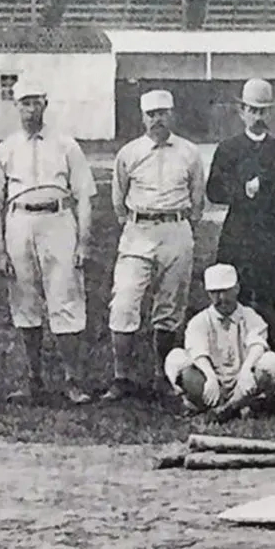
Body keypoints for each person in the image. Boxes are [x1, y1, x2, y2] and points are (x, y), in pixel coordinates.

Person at [0, 78, 95, 406]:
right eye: (24, 103)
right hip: (19, 222)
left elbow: (85, 196)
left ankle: (73, 380)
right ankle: (33, 379)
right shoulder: (4, 150)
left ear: (45, 104)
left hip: (58, 221)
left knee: (66, 299)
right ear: (15, 106)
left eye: (35, 102)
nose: (30, 110)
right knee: (24, 302)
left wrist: (84, 242)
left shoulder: (66, 145)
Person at [105, 89, 207, 401]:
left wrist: (179, 223)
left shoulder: (189, 153)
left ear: (172, 115)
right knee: (124, 302)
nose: (157, 120)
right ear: (142, 117)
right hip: (138, 231)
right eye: (151, 114)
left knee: (170, 306)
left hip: (175, 229)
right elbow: (118, 200)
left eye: (163, 113)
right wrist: (135, 221)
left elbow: (198, 200)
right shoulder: (129, 153)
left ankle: (162, 375)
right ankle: (122, 377)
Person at [206, 79, 275, 355]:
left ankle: (271, 354)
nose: (258, 116)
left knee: (268, 299)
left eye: (263, 111)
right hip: (239, 236)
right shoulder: (229, 148)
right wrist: (241, 190)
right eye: (252, 110)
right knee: (237, 296)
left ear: (270, 113)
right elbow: (213, 190)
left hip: (269, 238)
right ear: (241, 110)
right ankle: (233, 352)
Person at [163, 264, 275, 423]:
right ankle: (216, 406)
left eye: (226, 291)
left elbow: (257, 344)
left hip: (243, 383)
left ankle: (232, 407)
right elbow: (198, 351)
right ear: (208, 294)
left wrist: (247, 370)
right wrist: (210, 377)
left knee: (272, 361)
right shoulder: (200, 321)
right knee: (175, 358)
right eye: (215, 293)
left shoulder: (250, 316)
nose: (222, 298)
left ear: (237, 289)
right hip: (210, 384)